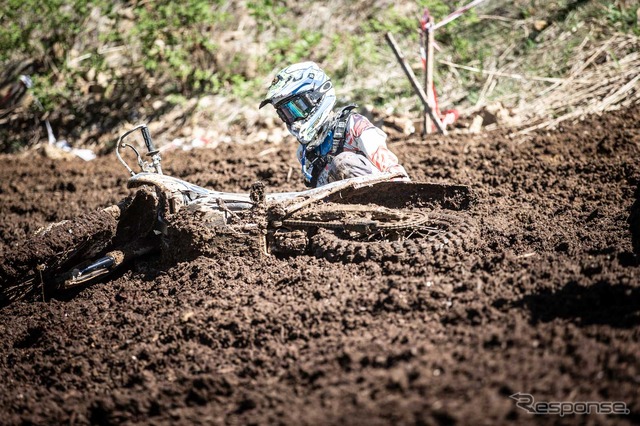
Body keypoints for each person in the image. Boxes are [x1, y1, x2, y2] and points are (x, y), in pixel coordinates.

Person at [259, 62, 408, 187]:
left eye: (296, 108)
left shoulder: (354, 126)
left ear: (316, 97)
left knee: (344, 163)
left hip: (382, 202)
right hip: (340, 215)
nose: (293, 118)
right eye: (284, 113)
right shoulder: (306, 153)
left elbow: (395, 173)